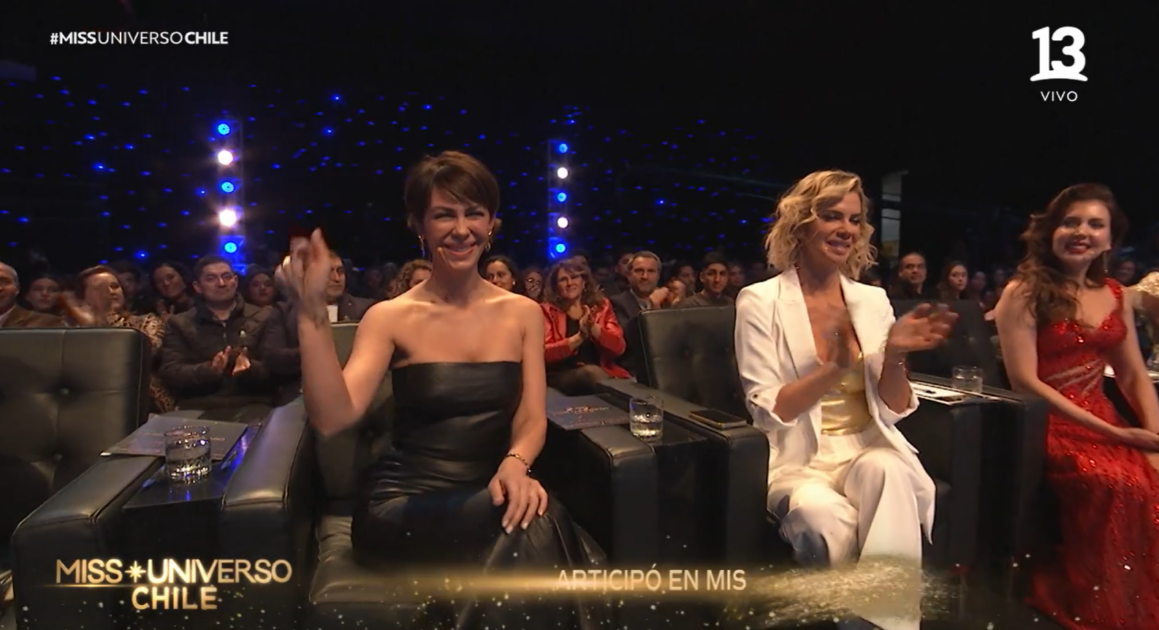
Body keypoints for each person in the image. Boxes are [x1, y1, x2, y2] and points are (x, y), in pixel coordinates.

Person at [282, 150, 607, 629]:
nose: (461, 229)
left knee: (530, 515)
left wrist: (515, 464)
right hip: (401, 505)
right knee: (538, 521)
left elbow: (530, 415)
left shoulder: (522, 312)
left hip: (489, 491)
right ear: (419, 225)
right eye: (443, 215)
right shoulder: (389, 317)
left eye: (474, 213)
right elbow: (333, 417)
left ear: (492, 223)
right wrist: (309, 313)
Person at [735, 170, 956, 630]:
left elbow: (894, 408)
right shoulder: (759, 300)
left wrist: (895, 354)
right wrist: (833, 369)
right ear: (801, 223)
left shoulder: (872, 301)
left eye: (854, 220)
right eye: (832, 216)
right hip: (798, 458)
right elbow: (768, 409)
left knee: (889, 470)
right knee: (822, 517)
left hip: (866, 446)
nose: (846, 229)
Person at [993, 183, 1159, 630]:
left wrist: (1154, 438)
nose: (1081, 232)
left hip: (1104, 417)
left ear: (1110, 239)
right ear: (1051, 231)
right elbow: (1025, 382)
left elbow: (1133, 374)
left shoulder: (1116, 293)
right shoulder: (1023, 292)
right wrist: (1118, 435)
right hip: (1049, 424)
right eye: (1071, 222)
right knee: (1118, 483)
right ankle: (1107, 605)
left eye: (1094, 224)